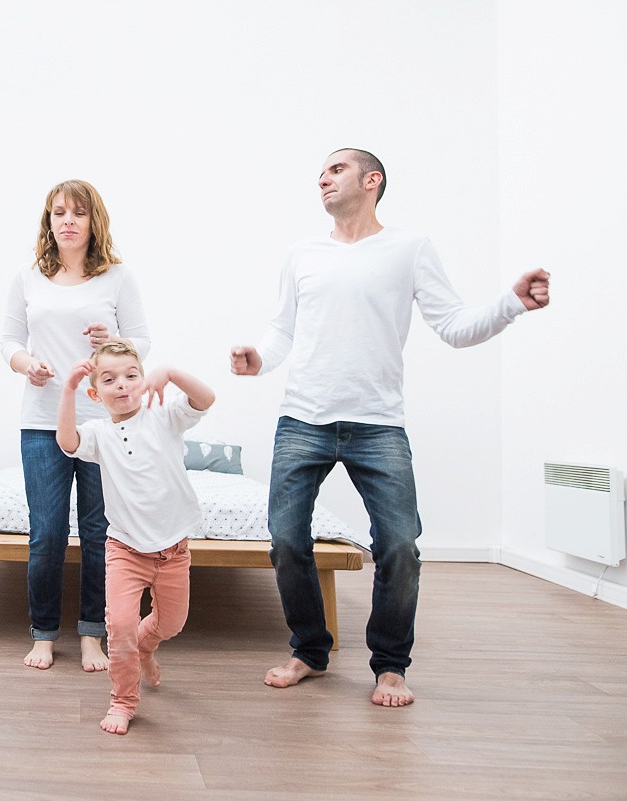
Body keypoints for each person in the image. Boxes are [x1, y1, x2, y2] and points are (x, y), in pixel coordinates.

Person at [231, 148, 550, 708]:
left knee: (400, 544)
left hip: (378, 425)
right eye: (321, 173)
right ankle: (309, 651)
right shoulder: (302, 254)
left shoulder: (409, 249)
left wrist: (511, 304)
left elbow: (453, 326)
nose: (322, 179)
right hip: (303, 419)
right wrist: (259, 357)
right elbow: (281, 330)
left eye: (335, 169)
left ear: (371, 180)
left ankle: (390, 666)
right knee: (285, 539)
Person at [0, 180, 151, 671]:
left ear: (93, 222)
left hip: (103, 425)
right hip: (42, 421)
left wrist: (116, 341)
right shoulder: (27, 277)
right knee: (46, 533)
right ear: (49, 221)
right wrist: (28, 365)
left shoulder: (117, 278)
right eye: (58, 212)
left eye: (78, 213)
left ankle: (92, 634)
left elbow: (142, 345)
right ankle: (43, 634)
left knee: (98, 531)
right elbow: (8, 341)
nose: (67, 220)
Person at [57, 342, 215, 734]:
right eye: (109, 380)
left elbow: (206, 397)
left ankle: (146, 648)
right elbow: (67, 443)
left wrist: (173, 373)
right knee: (121, 626)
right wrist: (67, 390)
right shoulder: (97, 433)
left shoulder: (164, 416)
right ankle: (123, 701)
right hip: (125, 550)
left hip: (173, 549)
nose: (123, 385)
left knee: (172, 624)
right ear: (96, 393)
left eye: (131, 375)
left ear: (143, 381)